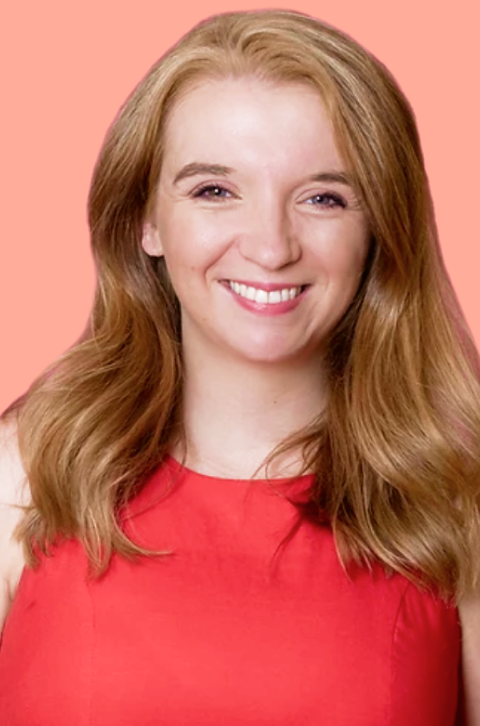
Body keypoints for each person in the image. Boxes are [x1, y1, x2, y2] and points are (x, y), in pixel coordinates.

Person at [0, 8, 479, 724]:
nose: (270, 244)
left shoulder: (458, 502)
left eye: (323, 197)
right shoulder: (27, 474)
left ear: (379, 226)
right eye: (214, 190)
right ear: (146, 221)